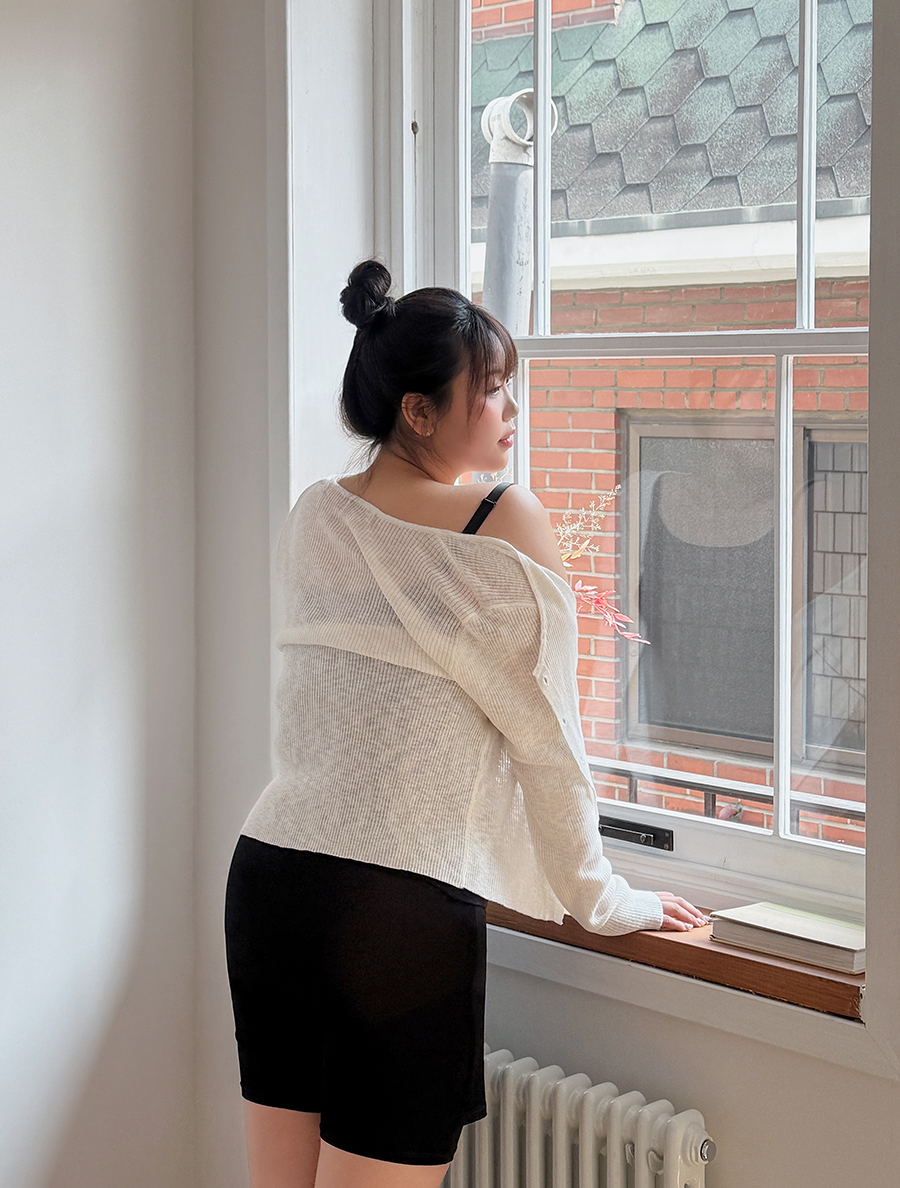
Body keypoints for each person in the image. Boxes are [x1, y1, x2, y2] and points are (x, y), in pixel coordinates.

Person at [224, 259, 707, 1188]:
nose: (510, 410)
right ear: (418, 410)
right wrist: (603, 897)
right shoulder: (501, 517)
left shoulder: (316, 514)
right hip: (395, 909)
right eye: (490, 390)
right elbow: (547, 740)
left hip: (273, 881)